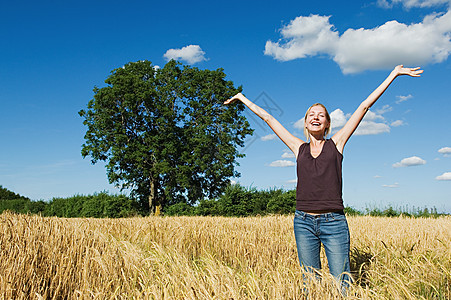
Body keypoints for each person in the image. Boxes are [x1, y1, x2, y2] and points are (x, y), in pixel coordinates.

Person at [224, 65, 423, 291]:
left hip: (334, 223)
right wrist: (242, 98)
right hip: (303, 222)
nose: (316, 117)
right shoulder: (297, 147)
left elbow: (364, 106)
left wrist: (393, 75)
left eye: (321, 115)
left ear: (327, 123)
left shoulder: (336, 144)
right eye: (311, 115)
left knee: (343, 285)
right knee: (310, 284)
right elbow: (269, 118)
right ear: (306, 123)